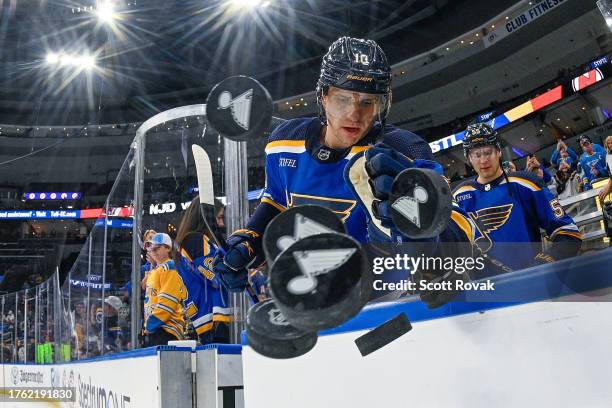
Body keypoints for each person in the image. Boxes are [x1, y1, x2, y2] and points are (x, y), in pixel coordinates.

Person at [213, 36, 476, 307]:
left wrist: (423, 228)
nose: (354, 114)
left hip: (387, 304)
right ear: (323, 96)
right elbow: (277, 201)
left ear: (381, 105)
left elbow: (462, 232)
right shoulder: (283, 143)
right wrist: (249, 242)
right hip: (311, 303)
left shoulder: (405, 150)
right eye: (343, 99)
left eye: (367, 102)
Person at [453, 123, 582, 271]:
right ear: (469, 158)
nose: (483, 160)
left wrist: (543, 266)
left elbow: (568, 232)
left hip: (529, 287)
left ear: (498, 151)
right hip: (485, 291)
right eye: (476, 155)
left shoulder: (525, 185)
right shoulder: (458, 198)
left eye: (488, 152)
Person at [174, 197, 231, 345]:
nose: (221, 224)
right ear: (204, 217)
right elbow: (217, 278)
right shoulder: (194, 240)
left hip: (206, 319)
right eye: (218, 218)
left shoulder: (194, 240)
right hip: (212, 319)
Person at [143, 233, 187, 346]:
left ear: (168, 248)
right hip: (157, 328)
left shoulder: (170, 267)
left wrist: (151, 324)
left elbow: (168, 301)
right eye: (151, 249)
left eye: (157, 248)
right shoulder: (156, 271)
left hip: (167, 329)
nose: (153, 251)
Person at [598, 135, 612, 203]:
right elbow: (609, 171)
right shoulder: (608, 156)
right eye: (609, 143)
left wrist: (609, 185)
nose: (610, 144)